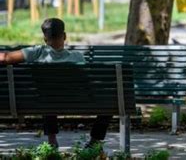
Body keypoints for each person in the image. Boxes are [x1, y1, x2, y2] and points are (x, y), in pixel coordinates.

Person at [0, 18, 110, 148]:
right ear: (64, 36)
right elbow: (87, 83)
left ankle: (52, 140)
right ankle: (94, 141)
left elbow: (5, 58)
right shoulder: (77, 57)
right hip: (78, 103)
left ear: (45, 40)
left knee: (47, 95)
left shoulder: (37, 53)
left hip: (46, 102)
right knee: (110, 103)